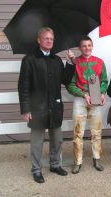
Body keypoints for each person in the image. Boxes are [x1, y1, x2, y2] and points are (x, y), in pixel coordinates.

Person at [18, 27, 75, 183]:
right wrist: (25, 108)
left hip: (55, 107)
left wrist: (70, 63)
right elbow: (23, 86)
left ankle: (55, 164)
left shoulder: (56, 60)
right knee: (37, 142)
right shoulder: (29, 59)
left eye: (51, 38)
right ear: (39, 40)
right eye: (46, 38)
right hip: (37, 108)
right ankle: (36, 170)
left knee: (57, 139)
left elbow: (65, 79)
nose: (49, 41)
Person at [67, 36, 108, 174]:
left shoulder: (100, 62)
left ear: (92, 46)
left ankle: (97, 158)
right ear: (79, 48)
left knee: (96, 131)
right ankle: (77, 161)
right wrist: (83, 94)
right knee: (78, 132)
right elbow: (70, 85)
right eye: (84, 46)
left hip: (95, 97)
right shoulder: (75, 62)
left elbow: (104, 81)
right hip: (80, 99)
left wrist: (101, 92)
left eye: (89, 45)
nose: (87, 48)